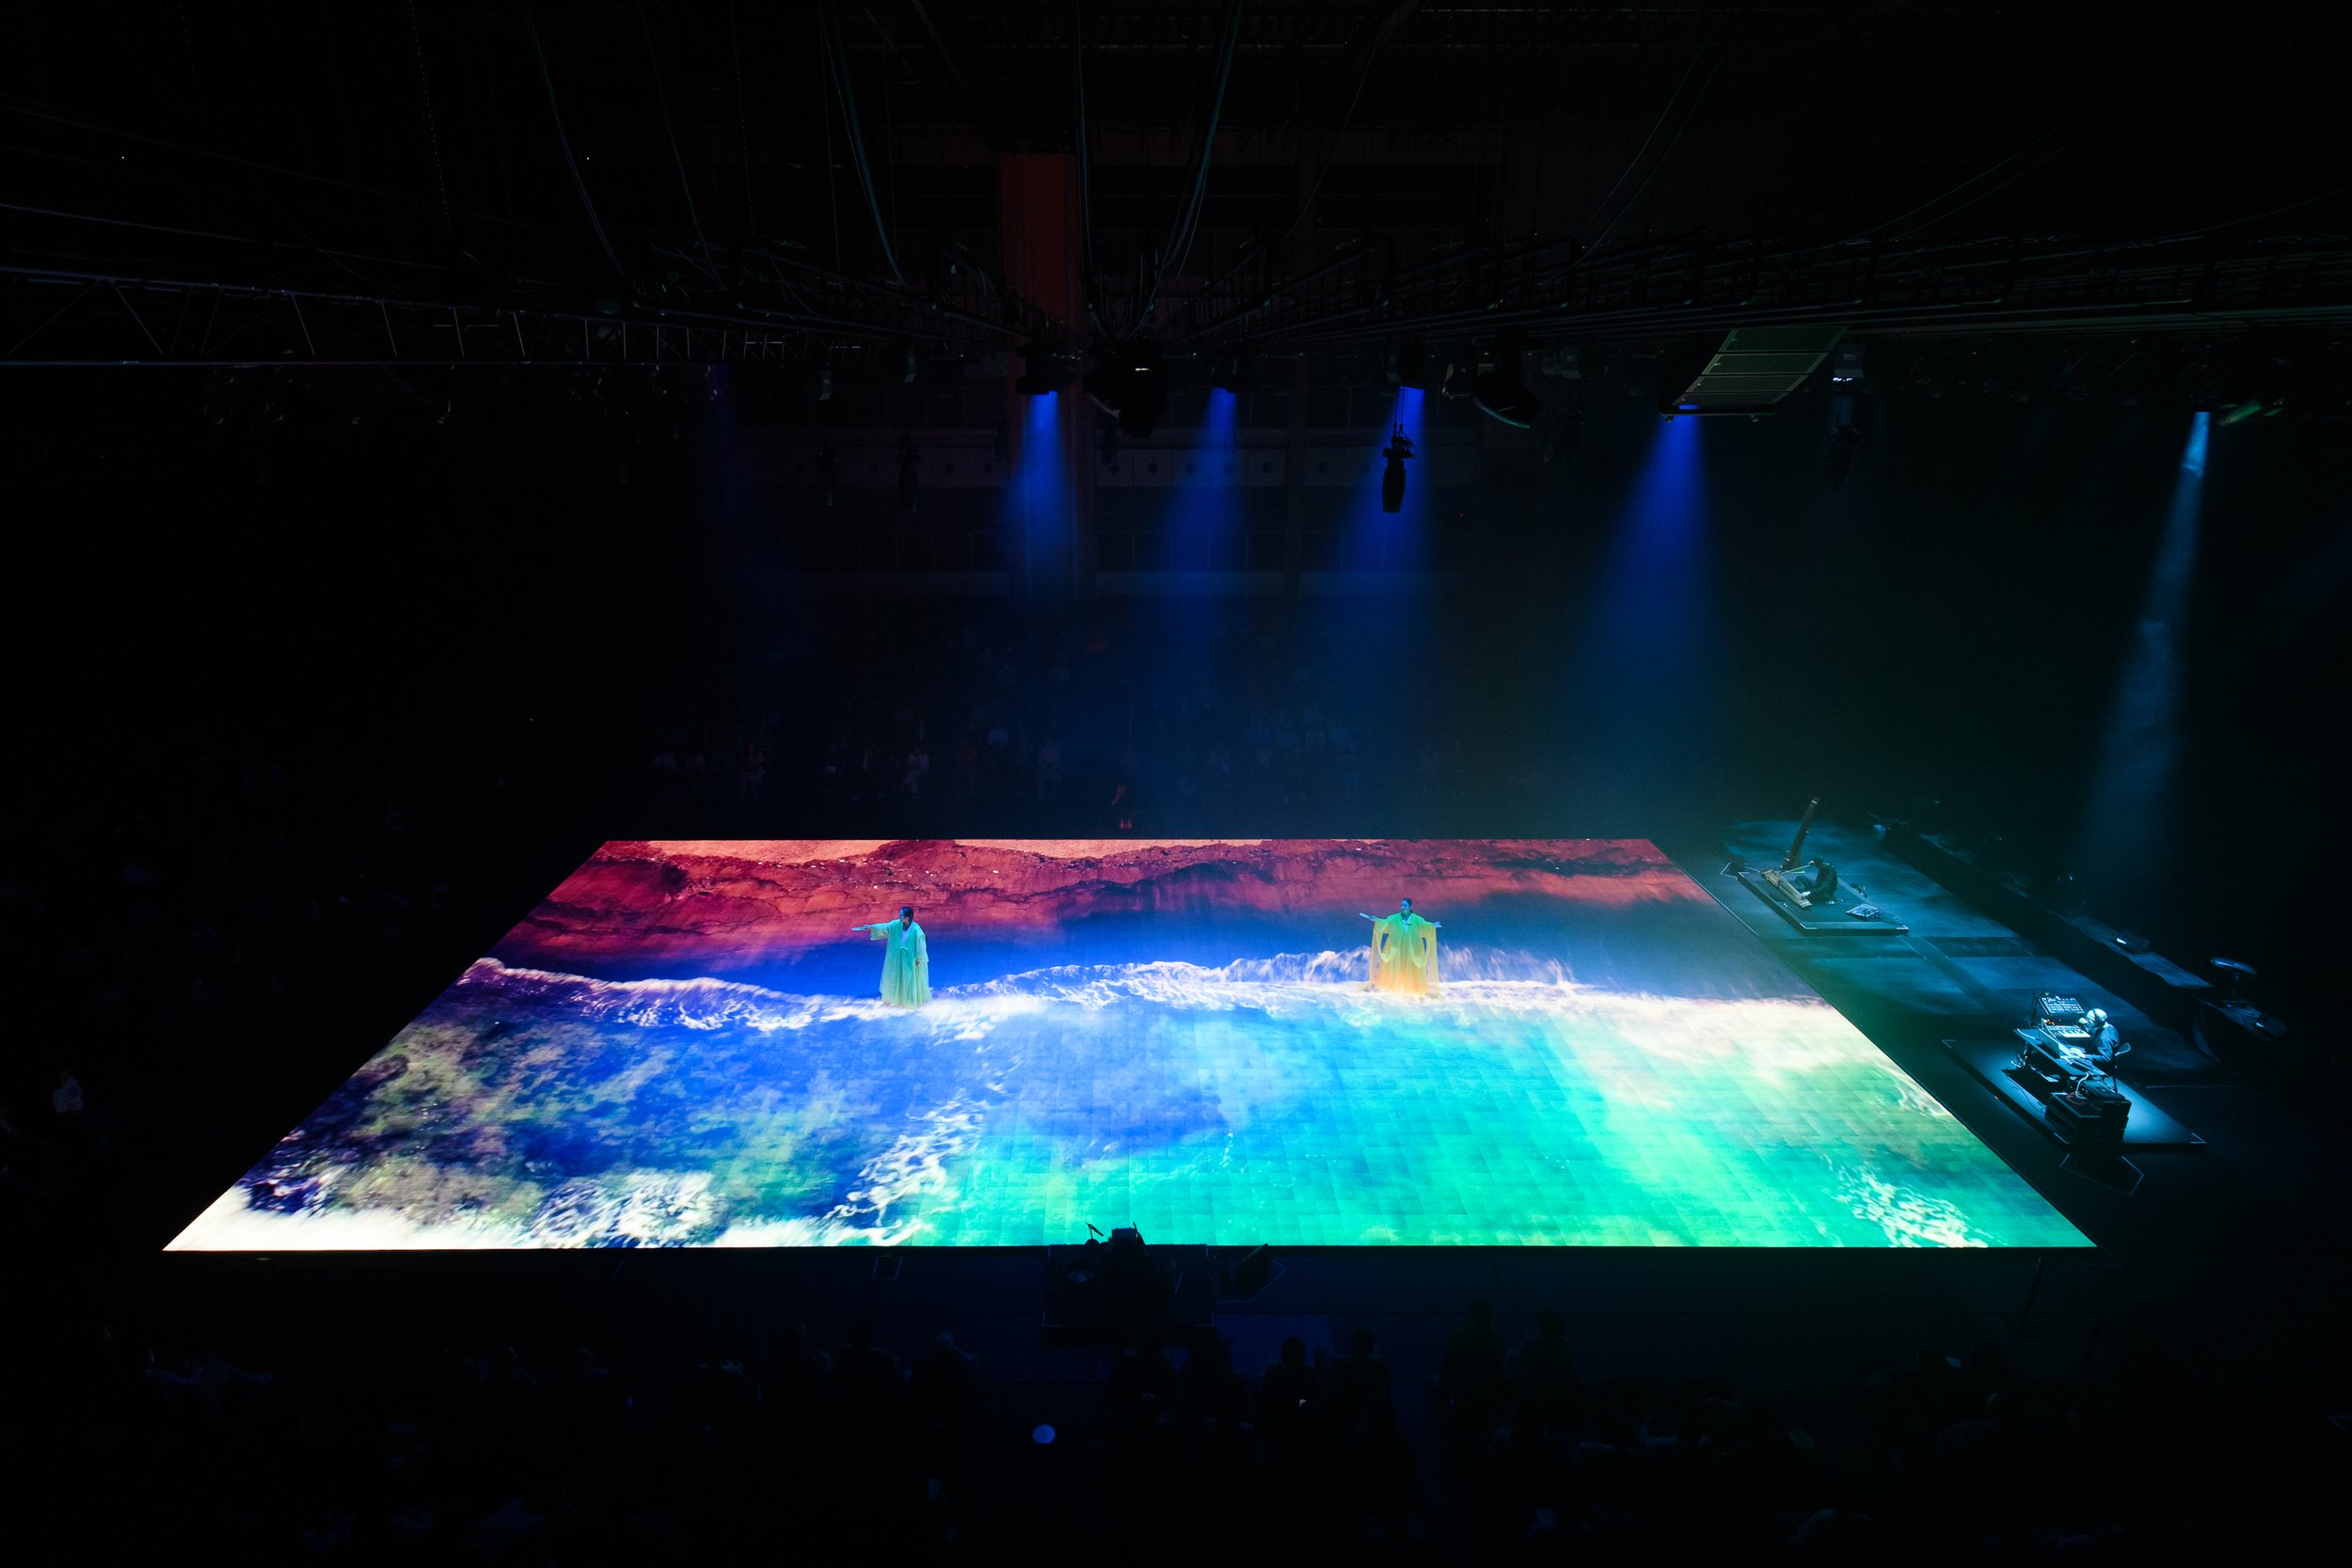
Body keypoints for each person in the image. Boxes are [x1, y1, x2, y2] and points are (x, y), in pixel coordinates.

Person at [851, 906, 930, 1008]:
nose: (899, 916)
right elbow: (885, 927)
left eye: (901, 915)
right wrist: (871, 927)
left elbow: (921, 945)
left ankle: (909, 1000)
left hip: (910, 960)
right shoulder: (897, 924)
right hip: (897, 958)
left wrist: (919, 959)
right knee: (897, 977)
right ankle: (898, 999)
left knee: (909, 979)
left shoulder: (916, 930)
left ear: (907, 917)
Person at [1361, 897, 1442, 996]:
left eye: (1405, 905)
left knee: (1412, 967)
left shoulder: (1416, 919)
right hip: (1398, 948)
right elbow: (1386, 922)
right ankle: (1392, 988)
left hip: (1411, 948)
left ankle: (1412, 990)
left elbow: (1424, 925)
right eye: (1401, 905)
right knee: (1395, 967)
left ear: (1410, 907)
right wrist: (1377, 920)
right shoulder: (1396, 917)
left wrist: (1432, 925)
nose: (1402, 907)